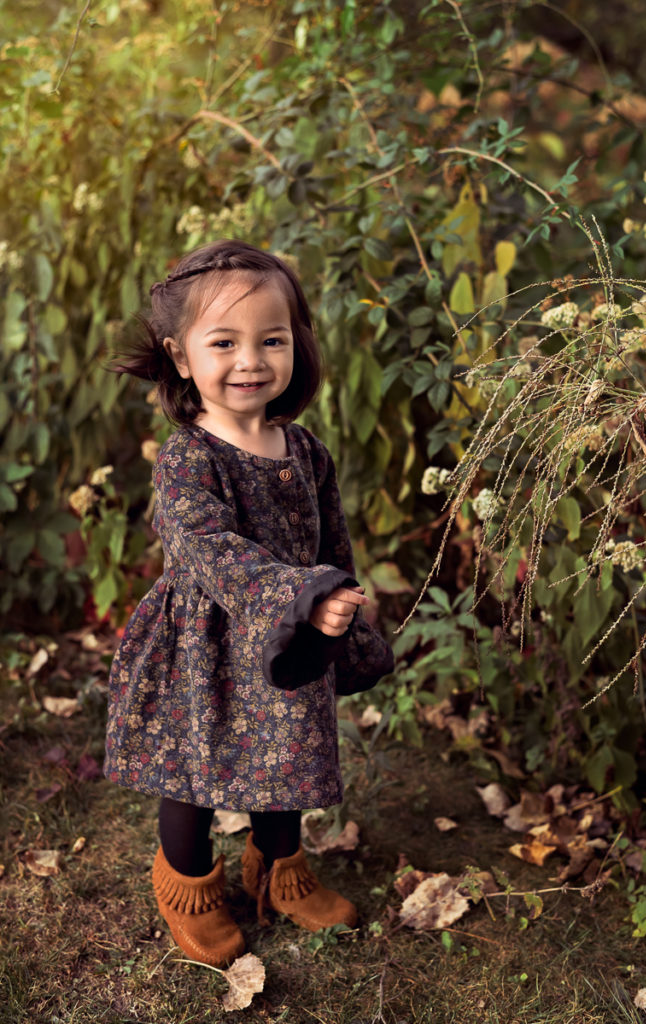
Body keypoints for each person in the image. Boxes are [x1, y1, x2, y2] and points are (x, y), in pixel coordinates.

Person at [103, 239, 394, 968]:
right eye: (224, 342)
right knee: (195, 773)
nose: (250, 361)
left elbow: (331, 540)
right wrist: (301, 593)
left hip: (289, 640)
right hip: (207, 641)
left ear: (296, 344)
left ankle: (278, 869)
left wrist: (342, 607)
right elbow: (207, 548)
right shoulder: (188, 457)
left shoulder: (303, 450)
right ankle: (188, 886)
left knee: (285, 755)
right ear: (179, 356)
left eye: (272, 340)